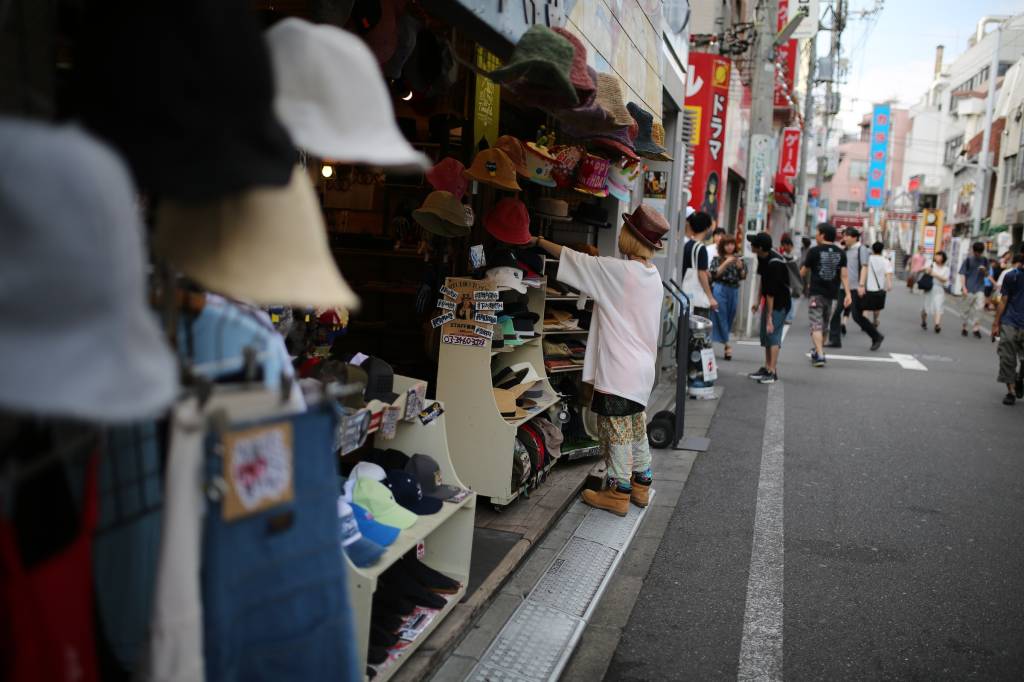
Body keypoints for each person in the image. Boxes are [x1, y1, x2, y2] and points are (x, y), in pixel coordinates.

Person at [529, 205, 666, 516]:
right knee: (634, 427)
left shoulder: (621, 272)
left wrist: (538, 241)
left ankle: (619, 492)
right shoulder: (651, 275)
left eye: (624, 230)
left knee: (616, 428)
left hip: (620, 369)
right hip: (642, 370)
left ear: (630, 238)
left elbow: (576, 261)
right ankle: (641, 485)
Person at [800, 223, 851, 367]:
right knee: (824, 325)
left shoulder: (814, 251)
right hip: (833, 295)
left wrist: (793, 285)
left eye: (816, 232)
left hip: (816, 293)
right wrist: (848, 294)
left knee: (816, 325)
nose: (816, 235)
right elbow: (844, 275)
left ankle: (820, 354)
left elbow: (803, 272)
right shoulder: (841, 253)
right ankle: (819, 351)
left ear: (822, 235)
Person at [828, 227, 884, 351]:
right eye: (843, 236)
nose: (844, 238)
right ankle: (835, 339)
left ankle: (876, 336)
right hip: (844, 287)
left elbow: (864, 267)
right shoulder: (846, 250)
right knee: (836, 312)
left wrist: (861, 285)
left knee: (857, 316)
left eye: (846, 236)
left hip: (855, 288)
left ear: (854, 237)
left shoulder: (861, 249)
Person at [747, 233, 791, 385]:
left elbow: (771, 293)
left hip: (779, 303)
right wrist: (757, 302)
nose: (750, 246)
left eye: (753, 244)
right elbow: (763, 283)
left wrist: (770, 318)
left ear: (759, 247)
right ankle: (767, 368)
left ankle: (772, 371)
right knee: (766, 335)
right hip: (771, 300)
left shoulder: (775, 263)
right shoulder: (762, 257)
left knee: (772, 335)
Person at [992, 252, 1024, 405]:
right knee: (1007, 357)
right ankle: (1010, 391)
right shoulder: (1012, 276)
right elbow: (1003, 301)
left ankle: (1019, 378)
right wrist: (996, 324)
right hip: (1010, 322)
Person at [709, 236, 747, 360]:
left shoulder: (739, 259)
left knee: (730, 316)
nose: (730, 247)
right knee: (721, 315)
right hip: (720, 288)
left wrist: (740, 267)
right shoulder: (717, 259)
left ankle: (720, 342)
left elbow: (743, 276)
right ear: (722, 246)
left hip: (734, 289)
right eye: (727, 244)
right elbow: (714, 274)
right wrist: (725, 263)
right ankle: (727, 345)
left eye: (732, 244)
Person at [681, 210, 719, 318]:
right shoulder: (700, 248)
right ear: (706, 228)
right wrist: (710, 297)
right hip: (696, 297)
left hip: (684, 291)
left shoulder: (688, 244)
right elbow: (701, 273)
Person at [958, 241, 989, 338]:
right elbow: (962, 274)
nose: (978, 254)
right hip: (969, 288)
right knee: (966, 309)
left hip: (980, 288)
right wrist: (964, 287)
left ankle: (976, 328)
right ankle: (965, 327)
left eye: (980, 252)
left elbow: (987, 275)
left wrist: (984, 271)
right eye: (977, 252)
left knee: (979, 308)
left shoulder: (985, 260)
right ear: (973, 251)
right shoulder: (968, 260)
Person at [921, 251, 951, 332]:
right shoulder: (931, 264)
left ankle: (937, 325)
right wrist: (926, 269)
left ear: (943, 258)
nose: (937, 257)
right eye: (936, 256)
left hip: (939, 289)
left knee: (938, 306)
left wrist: (934, 274)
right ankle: (923, 320)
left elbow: (945, 280)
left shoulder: (946, 269)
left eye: (939, 256)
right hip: (930, 287)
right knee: (926, 307)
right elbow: (922, 269)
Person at [865, 241, 893, 328]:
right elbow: (888, 274)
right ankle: (875, 320)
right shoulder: (885, 261)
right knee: (877, 307)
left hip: (867, 287)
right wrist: (889, 284)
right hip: (879, 288)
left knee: (865, 306)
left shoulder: (867, 259)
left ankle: (864, 323)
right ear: (882, 250)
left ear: (872, 249)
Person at [779, 233, 797, 324]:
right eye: (783, 245)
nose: (785, 247)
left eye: (786, 245)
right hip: (785, 281)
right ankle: (787, 316)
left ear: (790, 245)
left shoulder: (795, 256)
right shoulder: (782, 256)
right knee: (787, 299)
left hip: (792, 282)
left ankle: (789, 317)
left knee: (791, 300)